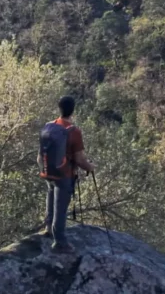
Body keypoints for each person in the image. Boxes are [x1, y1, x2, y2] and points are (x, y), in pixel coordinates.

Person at [40, 95, 95, 253]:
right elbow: (79, 159)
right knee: (61, 207)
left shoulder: (49, 126)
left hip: (48, 170)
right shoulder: (74, 131)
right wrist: (90, 167)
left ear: (59, 108)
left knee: (50, 196)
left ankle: (48, 227)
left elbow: (40, 153)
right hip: (64, 174)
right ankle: (60, 242)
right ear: (73, 110)